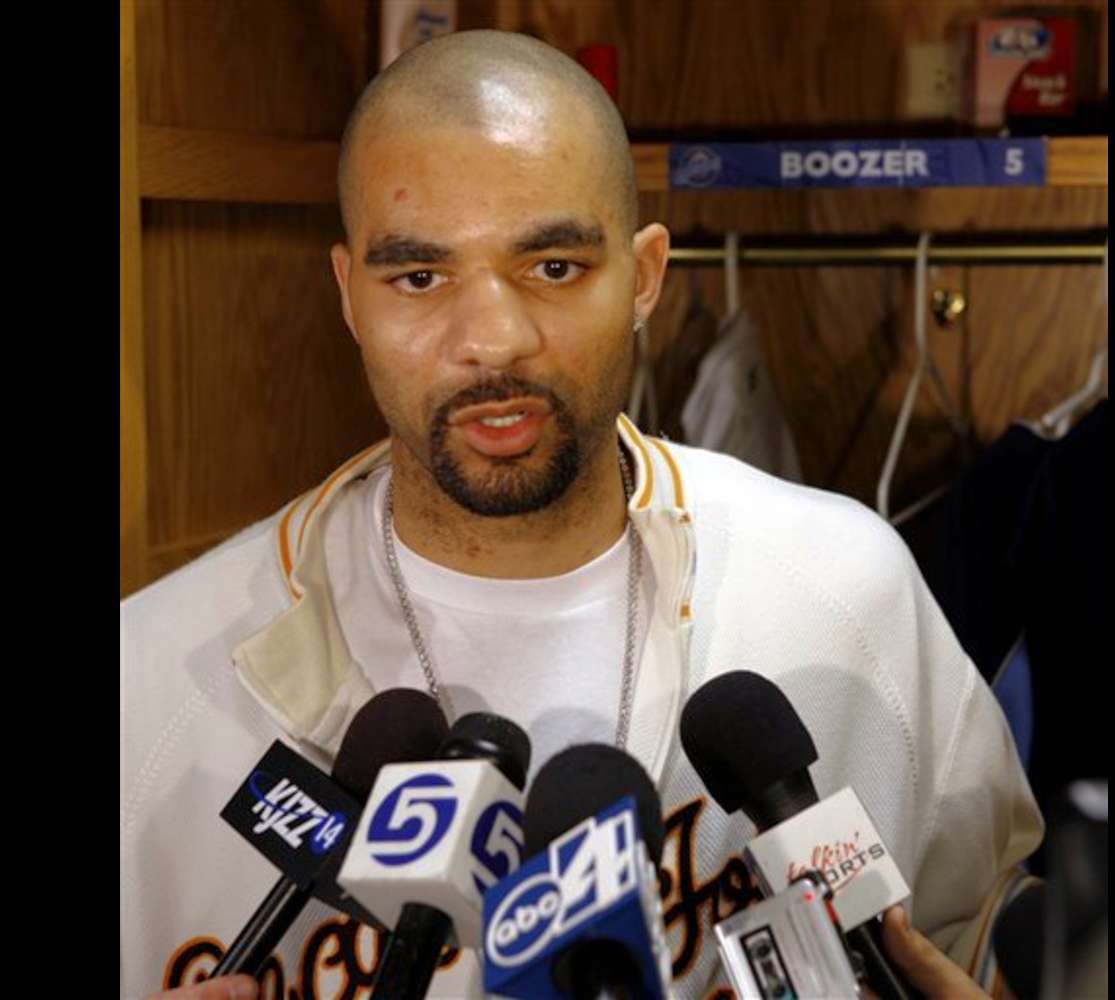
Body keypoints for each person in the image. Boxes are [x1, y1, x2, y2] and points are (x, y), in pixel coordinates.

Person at [120, 30, 1042, 1000]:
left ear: (644, 277)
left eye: (553, 266)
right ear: (350, 297)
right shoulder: (145, 680)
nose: (493, 340)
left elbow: (982, 935)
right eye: (419, 277)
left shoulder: (845, 589)